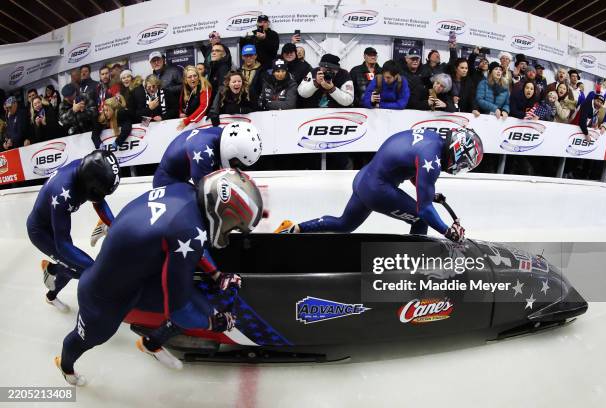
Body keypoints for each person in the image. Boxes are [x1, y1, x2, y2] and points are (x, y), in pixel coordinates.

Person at [56, 169, 263, 386]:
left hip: (136, 274)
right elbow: (180, 311)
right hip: (105, 295)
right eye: (232, 226)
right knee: (90, 338)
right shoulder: (188, 231)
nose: (230, 233)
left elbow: (186, 236)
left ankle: (151, 343)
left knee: (202, 301)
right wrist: (213, 323)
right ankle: (65, 367)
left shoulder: (184, 190)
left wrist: (217, 275)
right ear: (221, 213)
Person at [275, 127, 483, 240]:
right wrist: (449, 232)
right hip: (377, 189)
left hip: (364, 178)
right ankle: (414, 269)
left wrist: (427, 191)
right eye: (464, 162)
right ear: (457, 150)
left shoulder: (432, 137)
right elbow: (426, 209)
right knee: (421, 220)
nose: (461, 166)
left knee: (344, 224)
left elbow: (410, 166)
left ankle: (294, 228)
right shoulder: (433, 160)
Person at [26, 150, 119, 313]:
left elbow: (98, 199)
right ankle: (51, 288)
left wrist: (114, 225)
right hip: (40, 232)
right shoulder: (63, 194)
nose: (100, 195)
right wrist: (97, 268)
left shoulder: (85, 169)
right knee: (79, 270)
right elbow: (62, 245)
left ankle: (53, 271)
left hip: (53, 223)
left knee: (76, 268)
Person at [152, 122, 262, 188]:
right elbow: (205, 191)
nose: (237, 167)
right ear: (231, 149)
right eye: (236, 163)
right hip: (166, 182)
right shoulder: (203, 151)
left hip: (178, 176)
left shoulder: (219, 133)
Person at [177, 65, 213, 131]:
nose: (193, 79)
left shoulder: (204, 86)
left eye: (195, 76)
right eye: (189, 77)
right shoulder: (184, 89)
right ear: (185, 80)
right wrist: (181, 113)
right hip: (191, 124)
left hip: (205, 124)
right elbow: (181, 106)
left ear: (198, 77)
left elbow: (204, 107)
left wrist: (187, 121)